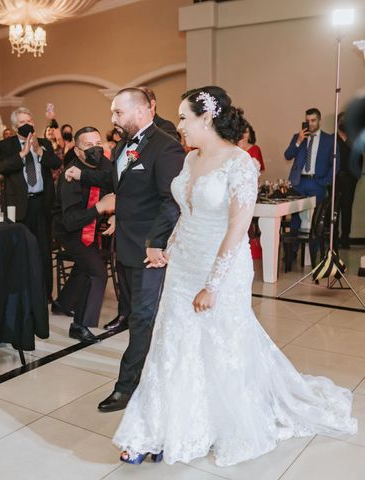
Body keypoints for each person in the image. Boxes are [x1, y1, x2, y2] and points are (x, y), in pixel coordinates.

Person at [113, 86, 357, 466]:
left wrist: (213, 284)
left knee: (220, 346)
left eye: (183, 118)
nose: (178, 126)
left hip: (222, 265)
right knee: (172, 345)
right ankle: (155, 428)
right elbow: (187, 213)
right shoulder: (190, 159)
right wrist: (168, 250)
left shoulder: (241, 163)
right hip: (183, 264)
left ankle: (216, 422)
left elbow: (237, 228)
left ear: (206, 119)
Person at [65, 88, 184, 412]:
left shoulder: (166, 146)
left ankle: (125, 387)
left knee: (143, 319)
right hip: (125, 245)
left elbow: (171, 200)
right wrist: (82, 173)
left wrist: (156, 243)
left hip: (150, 251)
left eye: (118, 112)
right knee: (137, 316)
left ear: (142, 110)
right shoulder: (122, 146)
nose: (113, 119)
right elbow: (115, 179)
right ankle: (151, 377)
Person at [52, 127, 115, 343]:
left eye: (98, 143)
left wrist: (115, 214)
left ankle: (62, 303)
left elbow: (113, 181)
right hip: (70, 232)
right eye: (88, 146)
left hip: (93, 227)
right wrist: (99, 208)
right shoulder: (69, 177)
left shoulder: (104, 164)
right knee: (97, 272)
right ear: (78, 151)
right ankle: (79, 325)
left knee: (84, 267)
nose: (95, 148)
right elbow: (69, 221)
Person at [0, 107, 62, 299]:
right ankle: (21, 292)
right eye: (23, 122)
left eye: (29, 121)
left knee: (43, 250)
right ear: (15, 126)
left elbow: (56, 164)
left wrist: (39, 151)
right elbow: (0, 167)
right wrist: (22, 155)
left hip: (41, 203)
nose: (27, 125)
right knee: (19, 249)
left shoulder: (44, 142)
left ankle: (44, 293)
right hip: (18, 206)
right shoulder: (5, 145)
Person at [284, 108, 337, 234]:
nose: (310, 124)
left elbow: (335, 165)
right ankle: (292, 253)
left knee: (316, 220)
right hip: (299, 182)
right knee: (295, 219)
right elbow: (287, 155)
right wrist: (299, 141)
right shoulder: (298, 137)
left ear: (319, 121)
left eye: (313, 120)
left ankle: (313, 252)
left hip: (317, 183)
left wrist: (325, 181)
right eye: (307, 121)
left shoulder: (329, 140)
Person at [336, 112, 360, 249]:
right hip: (335, 178)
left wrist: (355, 177)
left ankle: (345, 238)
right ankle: (333, 238)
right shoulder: (332, 139)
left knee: (347, 209)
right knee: (334, 210)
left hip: (349, 180)